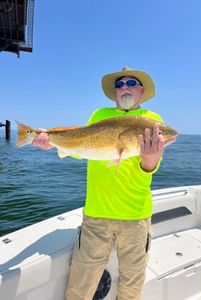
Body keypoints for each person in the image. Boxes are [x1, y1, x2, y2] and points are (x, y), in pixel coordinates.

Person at [32, 66, 165, 300]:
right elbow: (84, 145)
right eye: (119, 84)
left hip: (136, 216)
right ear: (114, 92)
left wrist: (151, 158)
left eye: (131, 83)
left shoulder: (152, 121)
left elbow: (149, 168)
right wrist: (52, 141)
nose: (124, 87)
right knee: (80, 284)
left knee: (132, 286)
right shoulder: (99, 114)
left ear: (141, 91)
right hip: (96, 214)